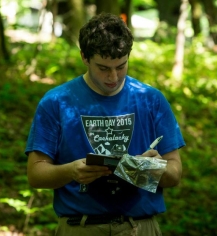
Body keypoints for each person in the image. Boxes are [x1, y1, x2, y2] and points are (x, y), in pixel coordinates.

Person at [25, 12, 185, 236]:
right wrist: (71, 171)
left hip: (139, 226)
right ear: (84, 57)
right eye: (103, 68)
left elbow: (175, 172)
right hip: (80, 226)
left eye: (121, 66)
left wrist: (148, 170)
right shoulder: (56, 102)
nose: (114, 76)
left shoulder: (150, 100)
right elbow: (35, 173)